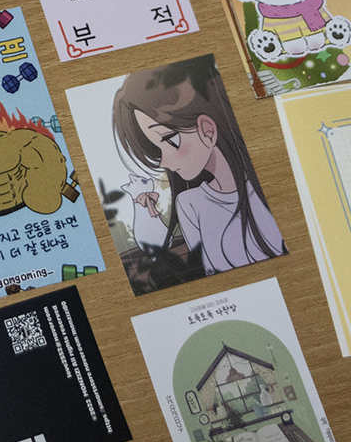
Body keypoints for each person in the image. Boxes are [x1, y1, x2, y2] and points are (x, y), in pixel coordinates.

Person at [111, 55, 284, 277]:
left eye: (169, 140)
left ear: (207, 130)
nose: (164, 161)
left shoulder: (267, 185)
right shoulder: (189, 204)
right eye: (157, 148)